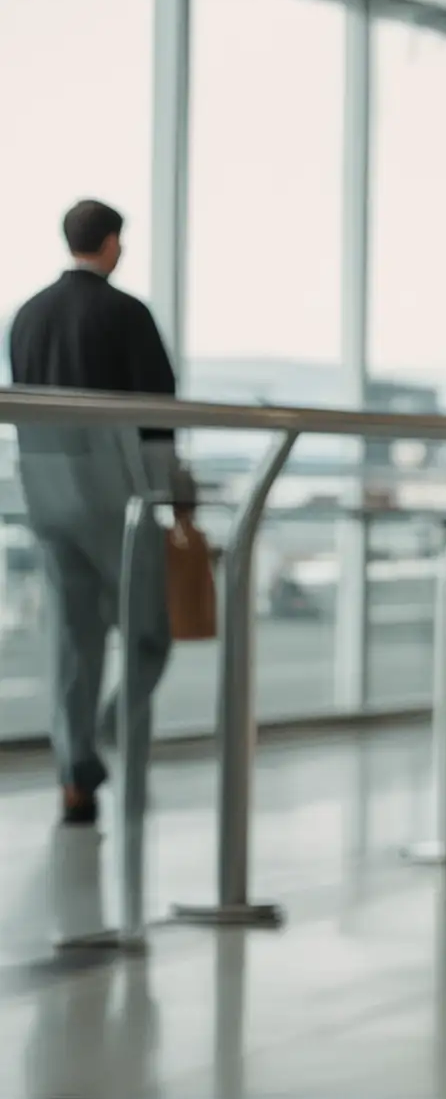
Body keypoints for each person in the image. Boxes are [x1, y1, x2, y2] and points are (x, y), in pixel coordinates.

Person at [9, 200, 195, 825]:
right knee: (148, 632)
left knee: (73, 637)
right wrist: (174, 493)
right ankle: (119, 734)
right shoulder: (126, 313)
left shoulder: (27, 315)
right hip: (115, 498)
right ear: (113, 243)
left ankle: (75, 773)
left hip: (44, 491)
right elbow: (157, 416)